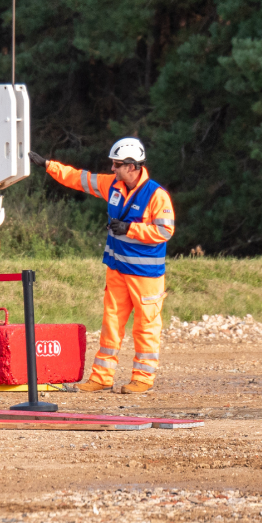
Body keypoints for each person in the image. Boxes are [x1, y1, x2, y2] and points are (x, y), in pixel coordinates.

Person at [29, 138, 175, 394]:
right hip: (117, 269)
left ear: (132, 166)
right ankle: (101, 378)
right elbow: (79, 179)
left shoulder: (156, 195)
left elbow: (165, 231)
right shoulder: (113, 185)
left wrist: (131, 228)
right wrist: (48, 165)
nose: (112, 168)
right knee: (111, 325)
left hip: (146, 275)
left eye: (117, 164)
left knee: (146, 327)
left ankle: (142, 379)